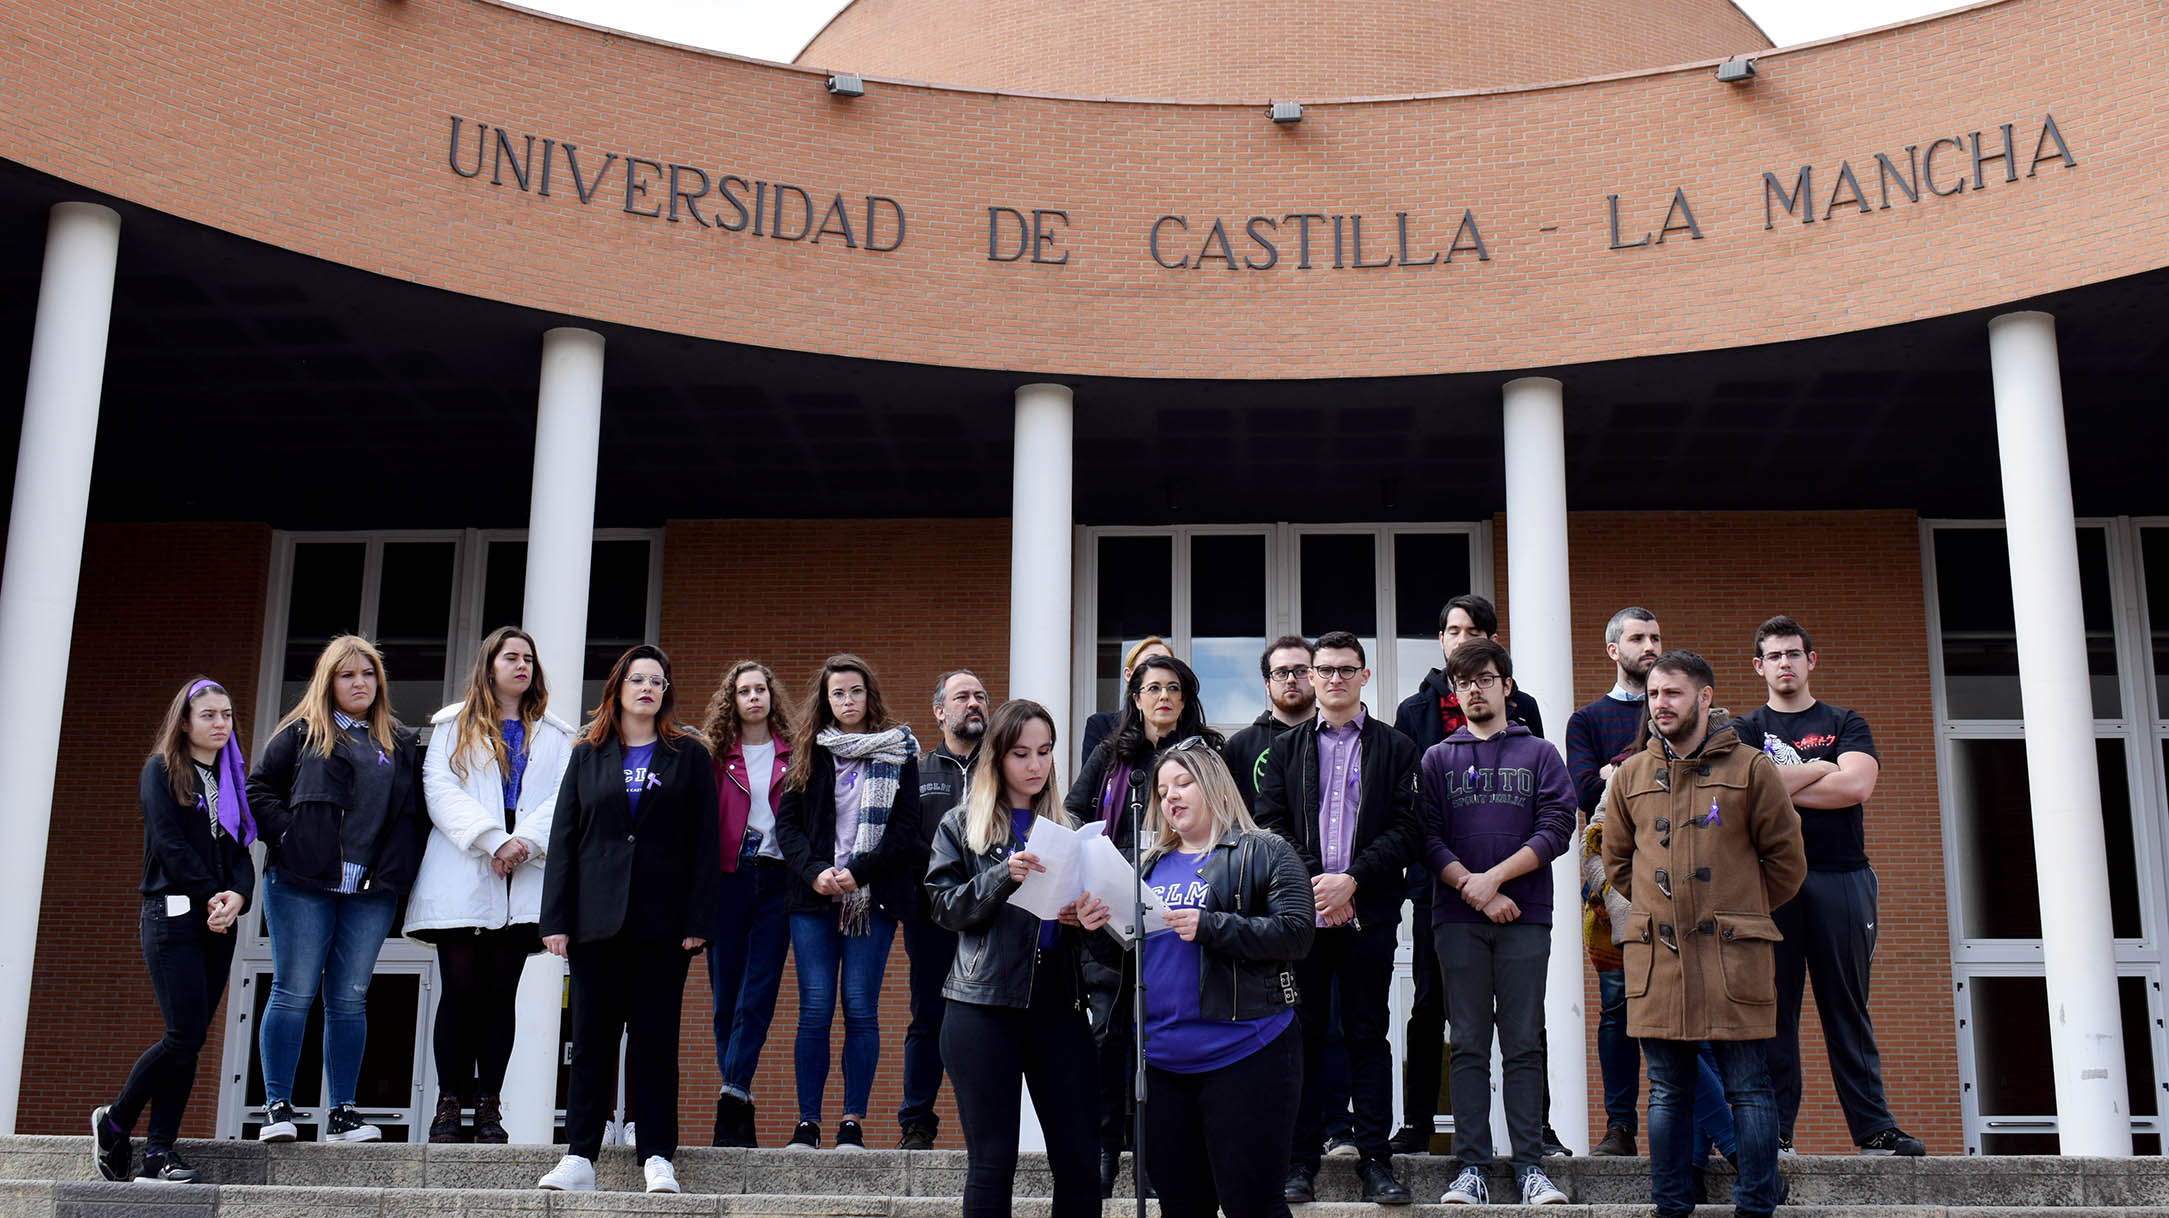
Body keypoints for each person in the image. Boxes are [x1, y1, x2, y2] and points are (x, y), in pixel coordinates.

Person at [1603, 649, 1806, 1218]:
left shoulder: (1751, 768)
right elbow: (1620, 863)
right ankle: (1670, 1208)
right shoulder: (1633, 774)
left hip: (1732, 956)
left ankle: (1756, 1207)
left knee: (1749, 1088)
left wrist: (1736, 908)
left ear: (1705, 697)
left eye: (1672, 693)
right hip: (1659, 958)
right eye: (1652, 695)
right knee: (1667, 1092)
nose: (1660, 704)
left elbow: (1787, 863)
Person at [1731, 615, 1924, 1157]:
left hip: (1843, 877)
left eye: (1793, 654)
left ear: (1810, 660)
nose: (1784, 664)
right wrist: (1823, 767)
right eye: (1773, 656)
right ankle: (1775, 1133)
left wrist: (1786, 780)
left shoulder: (1846, 719)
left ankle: (1875, 1131)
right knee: (1776, 1011)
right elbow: (1749, 792)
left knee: (1847, 1008)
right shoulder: (1746, 730)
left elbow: (1858, 785)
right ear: (1759, 666)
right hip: (1772, 885)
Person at [536, 644, 720, 1194]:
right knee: (591, 1040)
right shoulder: (586, 754)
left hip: (663, 925)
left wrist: (698, 917)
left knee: (655, 1042)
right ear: (617, 687)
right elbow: (564, 838)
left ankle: (658, 1155)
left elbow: (704, 843)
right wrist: (556, 918)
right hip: (595, 923)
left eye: (657, 681)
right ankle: (580, 1157)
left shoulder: (688, 754)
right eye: (637, 679)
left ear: (666, 692)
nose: (648, 688)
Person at [925, 699, 1111, 1218]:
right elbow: (942, 906)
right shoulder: (963, 824)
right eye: (1021, 753)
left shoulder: (1072, 827)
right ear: (997, 757)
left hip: (1061, 1003)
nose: (1035, 765)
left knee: (1079, 1161)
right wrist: (1002, 875)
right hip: (982, 1004)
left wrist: (1089, 922)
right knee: (992, 1162)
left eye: (1045, 752)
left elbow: (1104, 944)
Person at [1253, 632, 1420, 1205]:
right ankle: (1298, 1161)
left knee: (1368, 1036)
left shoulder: (1397, 748)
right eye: (1324, 669)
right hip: (1303, 920)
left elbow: (1406, 829)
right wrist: (1318, 885)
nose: (1333, 679)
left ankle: (1376, 1159)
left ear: (1365, 676)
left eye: (1346, 669)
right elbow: (1269, 822)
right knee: (1300, 1037)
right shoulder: (1286, 749)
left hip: (1367, 915)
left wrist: (1352, 880)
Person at [247, 635, 425, 1145]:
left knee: (349, 999)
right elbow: (259, 789)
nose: (359, 683)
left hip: (369, 891)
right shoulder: (302, 733)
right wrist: (288, 835)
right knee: (293, 989)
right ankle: (277, 1107)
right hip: (303, 882)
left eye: (367, 674)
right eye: (347, 675)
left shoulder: (397, 741)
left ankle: (343, 1113)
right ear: (329, 682)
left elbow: (410, 814)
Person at [1387, 593, 1548, 1155]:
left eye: (1474, 629)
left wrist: (1496, 879)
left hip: (1517, 892)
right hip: (1445, 887)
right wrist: (1466, 882)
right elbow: (1421, 813)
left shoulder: (1523, 708)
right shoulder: (1416, 710)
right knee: (1432, 1005)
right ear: (1440, 641)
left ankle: (1538, 1134)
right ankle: (1418, 1123)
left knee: (1525, 1024)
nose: (1462, 637)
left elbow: (1543, 812)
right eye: (1453, 629)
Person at [1130, 741, 1313, 1218]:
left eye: (1183, 783)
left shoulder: (1267, 850)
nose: (1171, 796)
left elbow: (1297, 933)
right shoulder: (1145, 867)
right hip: (1162, 1063)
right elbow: (1121, 961)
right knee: (1181, 1207)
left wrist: (1212, 926)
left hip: (1247, 1054)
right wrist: (1094, 928)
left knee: (1252, 1205)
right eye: (1163, 789)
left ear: (1214, 784)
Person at [1421, 638, 1574, 1206]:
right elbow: (1428, 837)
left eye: (1485, 679)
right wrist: (1474, 889)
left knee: (1523, 1042)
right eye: (1464, 683)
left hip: (1526, 917)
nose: (1475, 690)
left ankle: (1531, 1166)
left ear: (1506, 686)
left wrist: (1496, 880)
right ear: (1455, 693)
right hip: (1457, 919)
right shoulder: (1438, 758)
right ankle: (1473, 1169)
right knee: (1465, 1043)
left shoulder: (1539, 754)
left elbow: (1558, 825)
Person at [410, 626, 575, 1145]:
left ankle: (488, 1108)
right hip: (465, 867)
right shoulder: (451, 725)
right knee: (459, 993)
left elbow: (562, 797)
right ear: (490, 665)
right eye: (511, 657)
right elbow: (438, 788)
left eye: (528, 657)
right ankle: (448, 1104)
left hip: (523, 871)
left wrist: (522, 843)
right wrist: (491, 840)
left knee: (501, 996)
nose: (522, 665)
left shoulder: (555, 733)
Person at [1065, 653, 1223, 1194]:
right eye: (1152, 688)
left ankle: (1160, 1158)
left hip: (1181, 903)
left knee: (1162, 1035)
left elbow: (1225, 821)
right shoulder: (1112, 754)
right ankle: (1108, 1152)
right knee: (1110, 1038)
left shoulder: (1206, 755)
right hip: (1111, 912)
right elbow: (1073, 814)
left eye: (1173, 688)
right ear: (1135, 699)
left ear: (1185, 698)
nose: (1163, 697)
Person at [92, 677, 258, 1183]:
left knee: (191, 1042)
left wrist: (239, 897)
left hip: (217, 920)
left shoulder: (230, 779)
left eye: (227, 715)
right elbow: (168, 844)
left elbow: (241, 852)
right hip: (172, 916)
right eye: (209, 715)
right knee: (182, 1035)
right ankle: (116, 1121)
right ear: (185, 721)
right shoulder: (161, 770)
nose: (220, 724)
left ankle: (158, 1152)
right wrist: (214, 892)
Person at [774, 653, 923, 1151]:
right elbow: (787, 827)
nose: (847, 700)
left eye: (855, 691)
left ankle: (852, 1122)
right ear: (825, 699)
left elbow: (904, 831)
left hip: (872, 897)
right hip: (812, 898)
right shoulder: (806, 751)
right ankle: (807, 1124)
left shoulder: (897, 751)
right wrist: (816, 872)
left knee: (860, 1008)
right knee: (815, 1008)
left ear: (869, 694)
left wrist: (856, 871)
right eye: (837, 693)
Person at [1565, 606, 1663, 1157]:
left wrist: (1615, 769)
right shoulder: (1588, 720)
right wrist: (1637, 765)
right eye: (1637, 638)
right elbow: (1584, 791)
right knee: (1618, 1009)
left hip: (1681, 880)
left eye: (1655, 637)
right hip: (1614, 889)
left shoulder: (1679, 705)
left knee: (1687, 1006)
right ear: (1613, 650)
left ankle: (1698, 1130)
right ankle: (1619, 1127)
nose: (1649, 646)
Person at [699, 659, 794, 1147]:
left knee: (757, 995)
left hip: (777, 882)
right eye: (744, 691)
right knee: (725, 1000)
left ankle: (732, 1093)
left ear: (772, 696)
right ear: (732, 700)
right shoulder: (715, 756)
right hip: (729, 880)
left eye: (761, 688)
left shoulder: (794, 755)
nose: (754, 697)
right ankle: (738, 1098)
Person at [899, 668, 988, 1148]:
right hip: (931, 915)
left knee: (989, 1021)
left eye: (979, 696)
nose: (973, 703)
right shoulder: (917, 771)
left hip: (992, 915)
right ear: (939, 711)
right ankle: (916, 1123)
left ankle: (988, 1128)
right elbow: (905, 838)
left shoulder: (1001, 769)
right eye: (962, 696)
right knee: (928, 1016)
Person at [1222, 635, 1315, 810]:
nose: (1291, 679)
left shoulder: (1336, 736)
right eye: (1281, 672)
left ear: (1314, 677)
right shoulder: (1239, 747)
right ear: (1267, 685)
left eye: (1301, 670)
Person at [1080, 635, 1173, 764]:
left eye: (1168, 665)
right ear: (1128, 675)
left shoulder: (1187, 733)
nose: (1159, 670)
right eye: (1151, 661)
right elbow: (1091, 782)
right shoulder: (1102, 726)